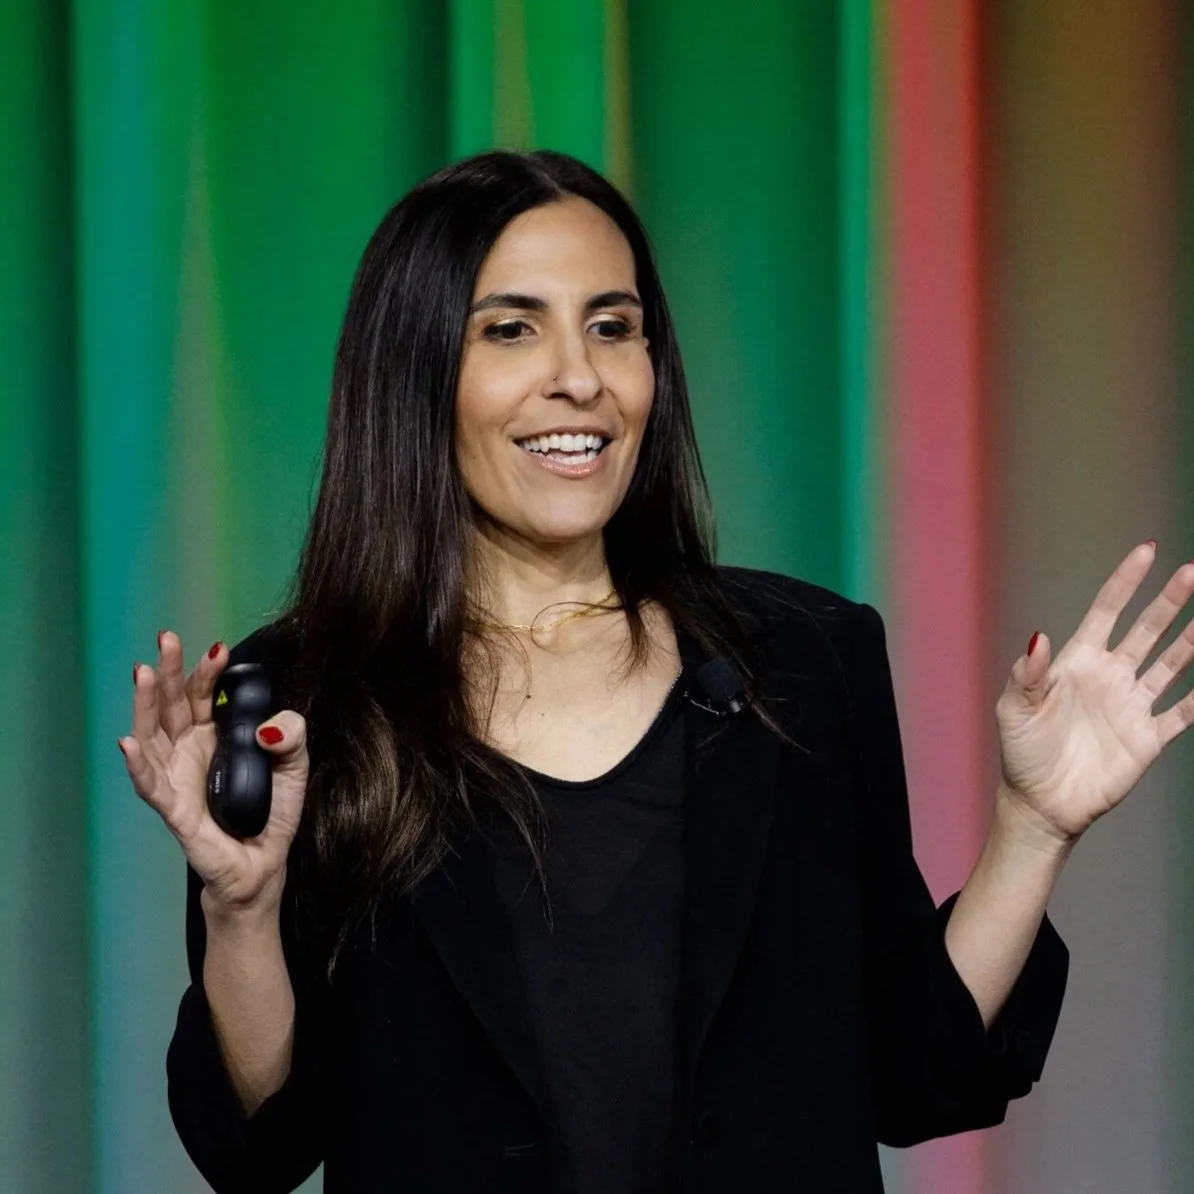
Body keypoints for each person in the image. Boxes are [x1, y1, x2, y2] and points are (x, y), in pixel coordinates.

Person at [119, 149, 1194, 1194]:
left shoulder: (806, 659)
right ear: (415, 372)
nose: (578, 378)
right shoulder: (305, 692)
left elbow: (915, 1075)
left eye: (612, 327)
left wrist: (1033, 828)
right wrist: (243, 908)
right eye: (511, 330)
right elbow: (257, 1148)